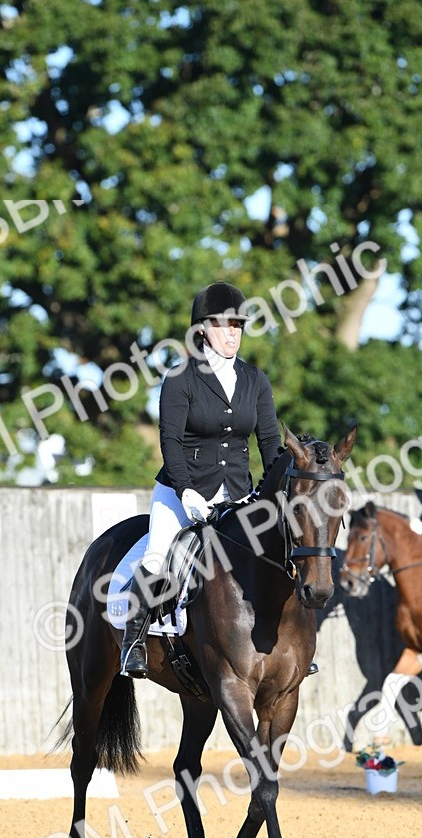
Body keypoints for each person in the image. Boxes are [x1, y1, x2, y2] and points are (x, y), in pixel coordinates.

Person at [120, 281, 284, 677]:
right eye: (225, 324)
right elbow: (170, 441)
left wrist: (280, 489)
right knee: (159, 556)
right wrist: (185, 489)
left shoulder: (255, 380)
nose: (233, 333)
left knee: (273, 558)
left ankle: (284, 648)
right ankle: (134, 642)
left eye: (238, 325)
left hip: (239, 496)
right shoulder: (181, 378)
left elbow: (270, 442)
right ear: (201, 329)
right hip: (182, 493)